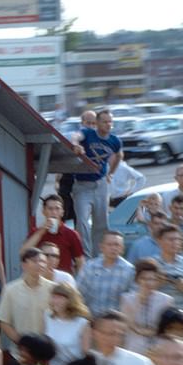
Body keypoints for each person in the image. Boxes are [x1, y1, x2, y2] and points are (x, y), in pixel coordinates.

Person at [72, 109, 123, 256]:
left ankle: (99, 255)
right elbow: (76, 136)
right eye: (104, 121)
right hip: (82, 185)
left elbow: (119, 155)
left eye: (110, 122)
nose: (108, 124)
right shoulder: (88, 134)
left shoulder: (114, 140)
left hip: (101, 185)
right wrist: (76, 144)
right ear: (97, 123)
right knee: (82, 221)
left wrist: (111, 173)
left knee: (101, 223)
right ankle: (85, 256)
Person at [0, 247, 54, 350]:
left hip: (48, 352)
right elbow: (3, 321)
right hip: (21, 353)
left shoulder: (53, 289)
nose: (40, 264)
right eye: (35, 261)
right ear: (24, 265)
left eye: (43, 262)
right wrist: (22, 343)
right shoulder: (10, 290)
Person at [120, 259, 174, 353]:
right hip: (134, 344)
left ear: (157, 281)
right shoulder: (127, 298)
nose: (148, 282)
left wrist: (146, 332)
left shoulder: (166, 300)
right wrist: (140, 300)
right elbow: (128, 324)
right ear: (137, 280)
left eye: (152, 279)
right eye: (143, 278)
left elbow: (165, 327)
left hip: (158, 344)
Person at [21, 195, 86, 274]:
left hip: (63, 280)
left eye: (57, 208)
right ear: (44, 211)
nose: (54, 212)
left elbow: (80, 261)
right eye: (50, 209)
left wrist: (78, 282)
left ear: (62, 212)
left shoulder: (71, 234)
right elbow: (23, 252)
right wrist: (41, 231)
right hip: (40, 278)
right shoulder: (36, 232)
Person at [75, 230, 134, 317]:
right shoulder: (89, 267)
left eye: (117, 245)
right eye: (110, 244)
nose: (113, 248)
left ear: (122, 249)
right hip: (90, 319)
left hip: (116, 322)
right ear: (101, 247)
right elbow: (78, 294)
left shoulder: (130, 270)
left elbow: (132, 301)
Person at [43, 282, 91, 365]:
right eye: (53, 297)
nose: (55, 301)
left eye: (60, 298)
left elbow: (86, 353)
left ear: (70, 300)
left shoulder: (82, 323)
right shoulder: (47, 315)